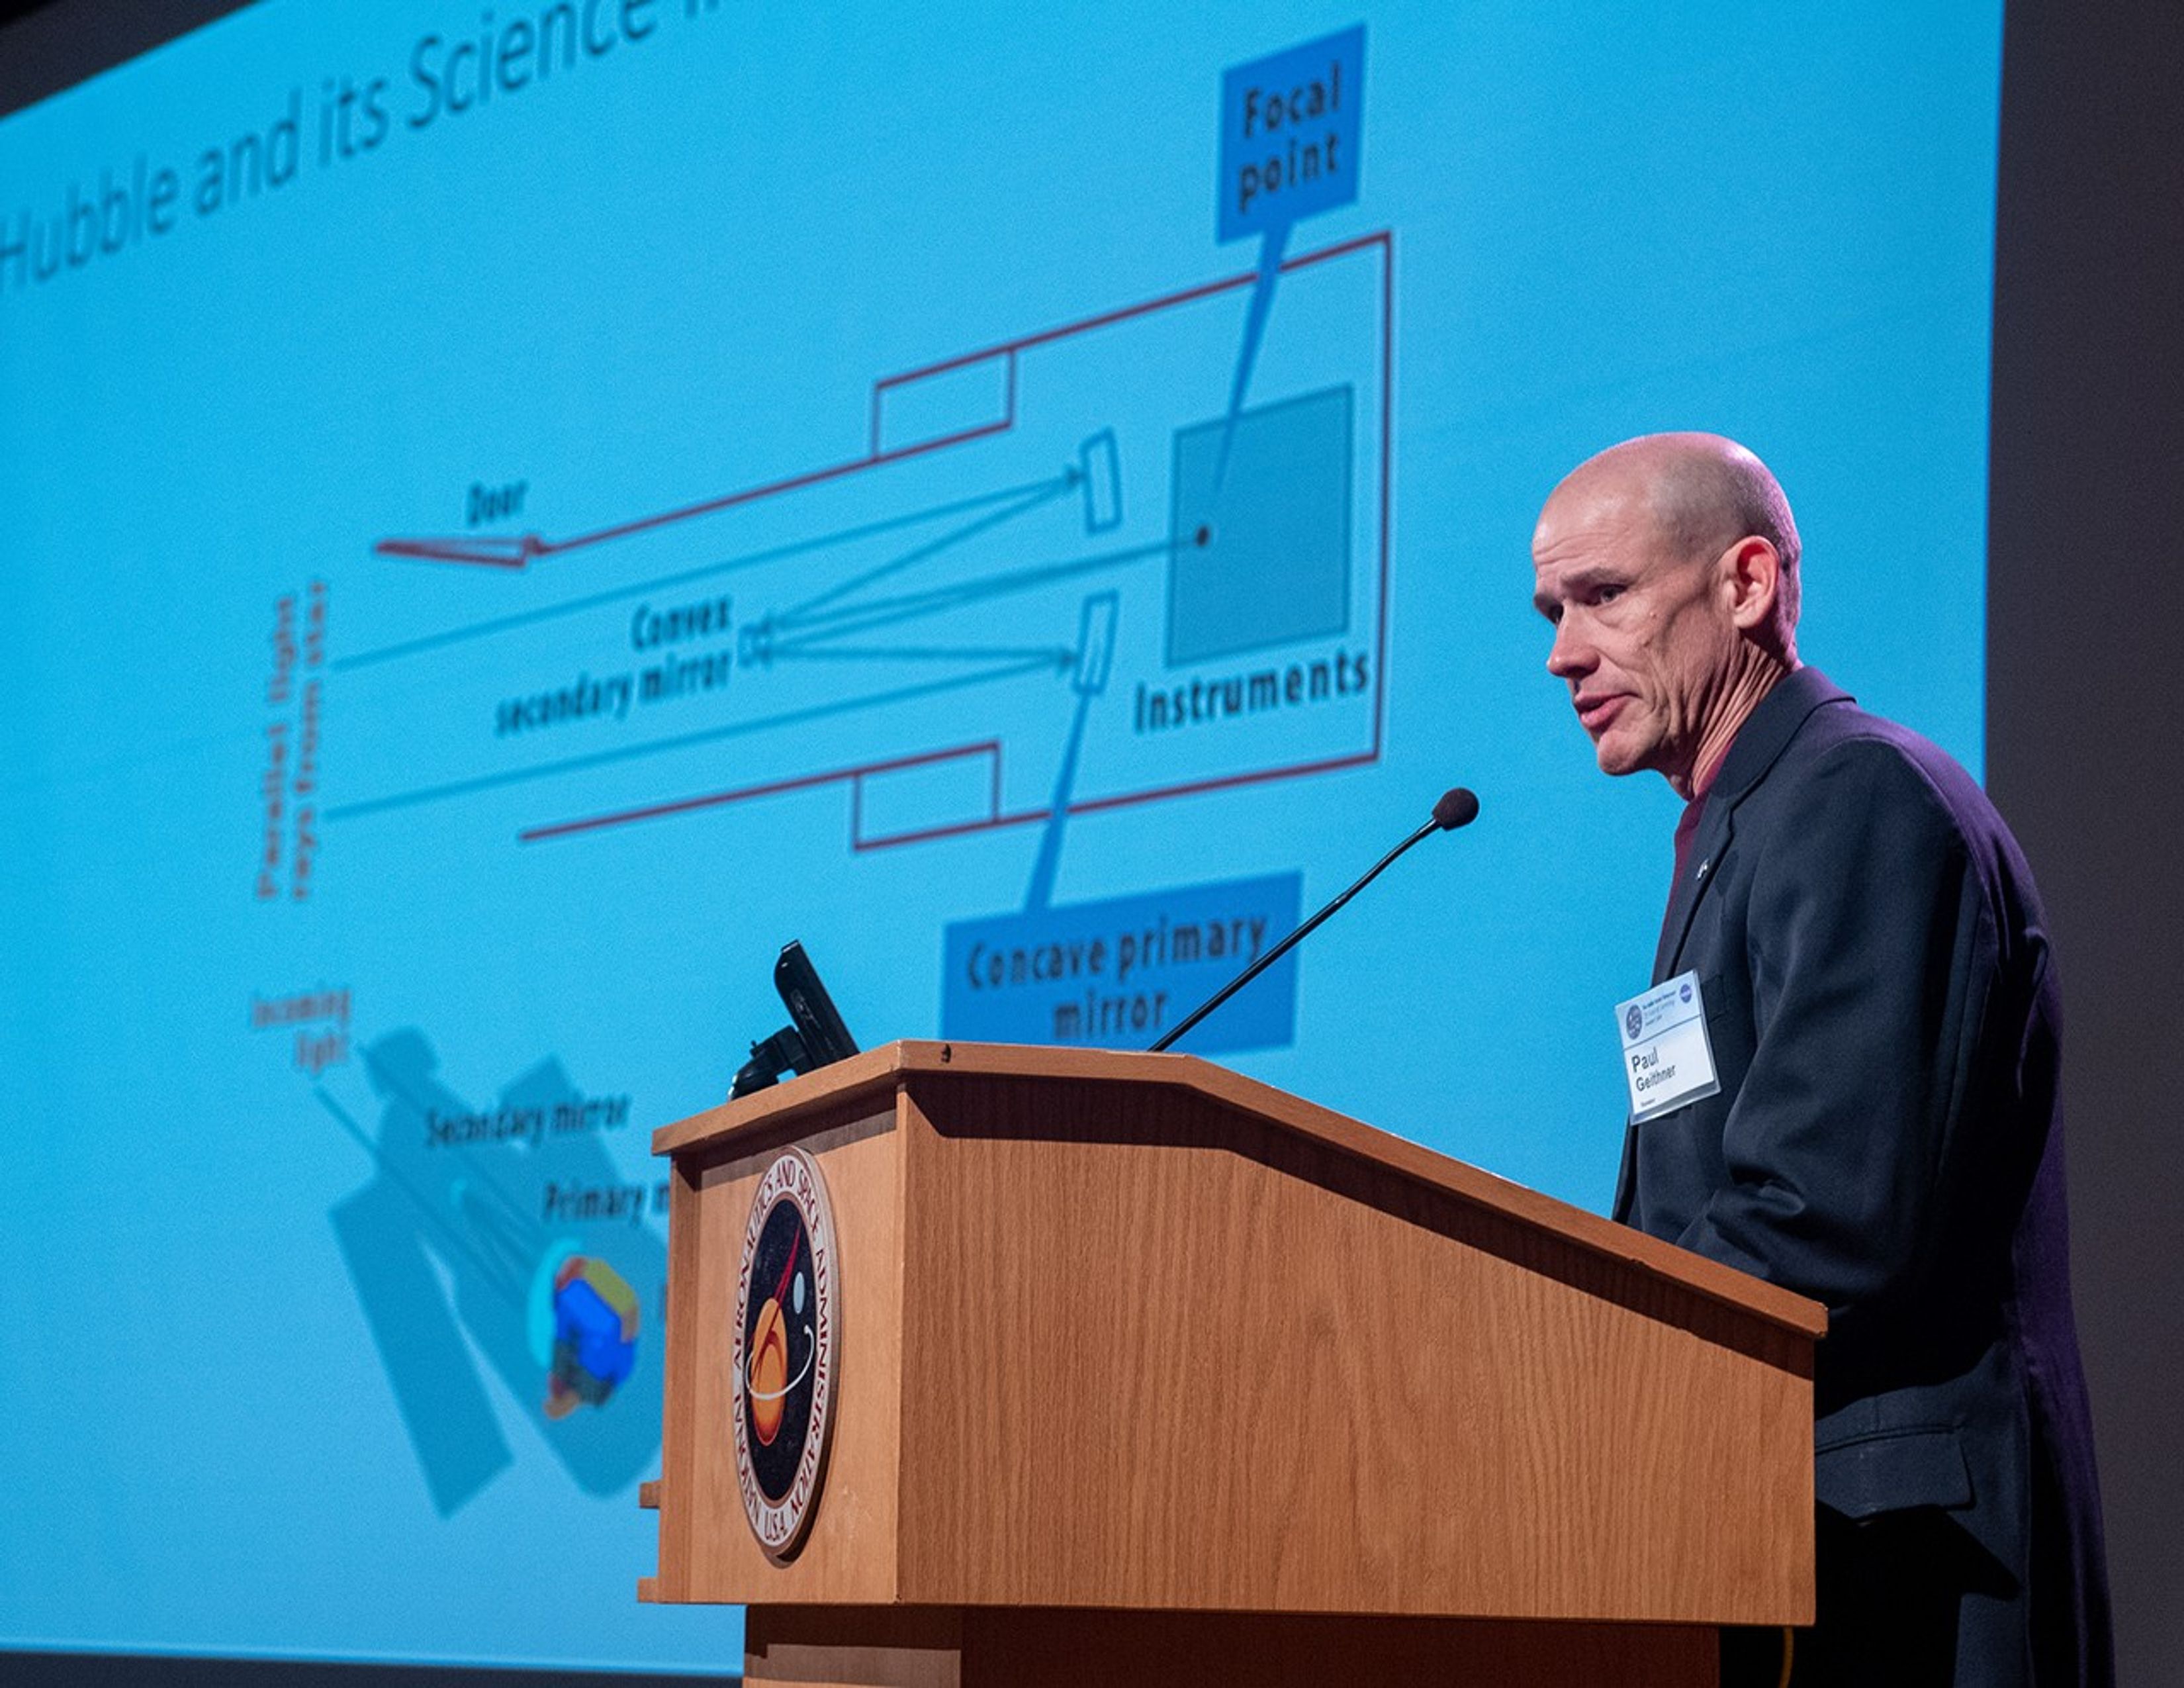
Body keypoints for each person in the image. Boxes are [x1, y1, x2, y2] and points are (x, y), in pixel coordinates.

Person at [1530, 434, 2111, 1686]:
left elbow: (1827, 1212)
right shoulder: (1741, 825)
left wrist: (1576, 1354)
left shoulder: (1859, 797)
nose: (1564, 652)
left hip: (1906, 1554)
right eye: (1553, 611)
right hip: (1787, 1527)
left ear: (1746, 584)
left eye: (1604, 596)